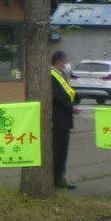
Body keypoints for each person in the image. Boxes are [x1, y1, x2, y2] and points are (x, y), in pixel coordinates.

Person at [49, 50, 77, 190]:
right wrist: (71, 108)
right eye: (66, 61)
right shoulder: (52, 76)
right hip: (58, 118)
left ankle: (60, 177)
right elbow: (57, 97)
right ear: (59, 62)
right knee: (57, 150)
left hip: (64, 118)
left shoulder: (61, 75)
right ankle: (57, 178)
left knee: (63, 150)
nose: (68, 64)